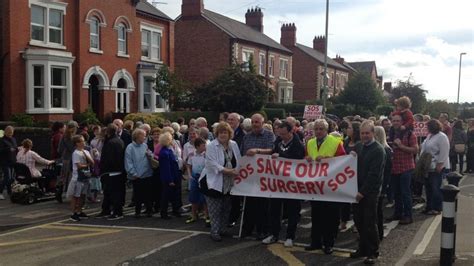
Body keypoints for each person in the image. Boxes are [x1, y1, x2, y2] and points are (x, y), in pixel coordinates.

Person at [305, 119, 346, 254]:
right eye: (316, 129)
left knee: (331, 216)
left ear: (327, 130)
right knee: (316, 215)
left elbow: (343, 162)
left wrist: (327, 159)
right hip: (315, 185)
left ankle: (329, 243)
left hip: (330, 186)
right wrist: (307, 159)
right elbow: (307, 158)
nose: (318, 131)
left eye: (321, 129)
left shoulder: (336, 143)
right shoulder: (310, 143)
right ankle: (315, 241)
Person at [261, 121, 305, 247]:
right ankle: (273, 234)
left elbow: (296, 160)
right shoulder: (278, 142)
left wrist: (280, 156)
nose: (282, 136)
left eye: (284, 134)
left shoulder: (299, 145)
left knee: (292, 210)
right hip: (278, 183)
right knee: (274, 209)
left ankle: (290, 236)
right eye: (280, 134)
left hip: (292, 183)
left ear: (291, 132)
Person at [351, 121, 386, 265]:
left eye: (367, 133)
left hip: (370, 193)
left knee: (369, 222)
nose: (364, 136)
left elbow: (374, 176)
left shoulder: (378, 150)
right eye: (362, 133)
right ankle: (363, 248)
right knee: (359, 221)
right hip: (357, 190)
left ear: (373, 133)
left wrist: (362, 192)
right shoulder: (359, 146)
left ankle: (373, 251)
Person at [200, 122, 241, 241]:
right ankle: (215, 231)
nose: (223, 135)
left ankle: (222, 229)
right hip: (213, 182)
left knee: (226, 207)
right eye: (220, 132)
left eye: (225, 132)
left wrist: (236, 171)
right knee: (215, 209)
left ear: (229, 134)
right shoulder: (212, 145)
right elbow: (212, 164)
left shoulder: (234, 144)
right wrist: (228, 171)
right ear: (217, 134)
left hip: (228, 182)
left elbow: (238, 160)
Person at [241, 113, 275, 240]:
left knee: (263, 205)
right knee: (250, 204)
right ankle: (247, 229)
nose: (255, 124)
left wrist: (257, 151)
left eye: (257, 122)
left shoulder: (269, 135)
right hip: (250, 175)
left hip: (263, 175)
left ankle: (262, 230)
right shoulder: (247, 137)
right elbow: (242, 153)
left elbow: (271, 150)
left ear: (262, 123)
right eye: (253, 122)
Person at [387, 115, 418, 225]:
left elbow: (415, 150)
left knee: (406, 193)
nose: (395, 123)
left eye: (398, 121)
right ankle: (398, 213)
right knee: (397, 193)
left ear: (402, 122)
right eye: (394, 120)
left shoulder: (410, 134)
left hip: (406, 167)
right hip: (395, 168)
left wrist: (401, 146)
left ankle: (408, 216)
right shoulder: (391, 134)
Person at [421, 119, 450, 215]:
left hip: (437, 165)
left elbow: (444, 151)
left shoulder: (442, 137)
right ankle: (429, 206)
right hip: (428, 165)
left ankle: (437, 207)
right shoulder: (429, 136)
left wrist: (440, 164)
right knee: (428, 188)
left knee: (435, 187)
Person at [97, 124, 126, 220]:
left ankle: (117, 212)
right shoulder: (119, 141)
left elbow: (108, 159)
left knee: (113, 193)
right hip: (118, 171)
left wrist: (103, 170)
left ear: (108, 132)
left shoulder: (110, 143)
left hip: (111, 172)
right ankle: (107, 210)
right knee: (111, 192)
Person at [125, 128, 154, 218]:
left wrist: (150, 155)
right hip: (137, 176)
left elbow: (150, 156)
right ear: (138, 136)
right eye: (143, 136)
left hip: (147, 174)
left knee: (148, 194)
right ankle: (137, 212)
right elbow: (128, 162)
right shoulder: (130, 147)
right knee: (138, 195)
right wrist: (133, 173)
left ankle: (149, 210)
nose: (145, 137)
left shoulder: (145, 145)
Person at [67, 135, 94, 222]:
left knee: (83, 195)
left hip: (85, 176)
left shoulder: (86, 151)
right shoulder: (75, 153)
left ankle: (80, 211)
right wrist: (87, 165)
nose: (84, 143)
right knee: (76, 196)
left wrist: (87, 155)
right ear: (77, 143)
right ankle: (74, 213)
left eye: (84, 141)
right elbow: (79, 166)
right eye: (82, 141)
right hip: (78, 177)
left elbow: (92, 162)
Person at [340, 121, 361, 230]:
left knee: (356, 202)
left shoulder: (360, 143)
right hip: (346, 175)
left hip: (356, 175)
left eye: (349, 128)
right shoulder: (346, 141)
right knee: (344, 200)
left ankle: (357, 224)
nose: (347, 129)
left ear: (355, 130)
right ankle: (343, 221)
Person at [373, 126, 392, 241]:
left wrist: (384, 187)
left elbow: (387, 170)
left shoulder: (385, 150)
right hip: (380, 184)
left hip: (381, 184)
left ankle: (379, 234)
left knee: (378, 211)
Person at [227, 112, 245, 227]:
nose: (229, 121)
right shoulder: (225, 133)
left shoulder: (242, 135)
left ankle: (234, 217)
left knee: (235, 196)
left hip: (236, 169)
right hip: (225, 168)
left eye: (232, 120)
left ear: (238, 121)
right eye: (228, 119)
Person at [186, 137, 210, 226]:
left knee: (204, 198)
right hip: (195, 178)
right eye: (203, 145)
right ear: (197, 146)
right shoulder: (192, 154)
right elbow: (188, 165)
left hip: (204, 178)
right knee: (193, 197)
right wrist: (189, 175)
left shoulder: (206, 155)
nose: (205, 147)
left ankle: (206, 215)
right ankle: (194, 215)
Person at [159, 132, 181, 219]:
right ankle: (164, 213)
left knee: (173, 195)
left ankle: (174, 211)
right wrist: (170, 180)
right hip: (169, 178)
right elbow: (166, 168)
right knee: (166, 196)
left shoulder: (168, 151)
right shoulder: (165, 153)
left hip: (173, 176)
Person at [58, 121, 78, 194]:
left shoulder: (63, 136)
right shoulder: (71, 137)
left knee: (63, 175)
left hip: (65, 158)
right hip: (71, 158)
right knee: (70, 176)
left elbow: (59, 149)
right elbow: (72, 149)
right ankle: (67, 192)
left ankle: (59, 191)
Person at [0, 126, 17, 200]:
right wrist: (8, 149)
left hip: (12, 161)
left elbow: (15, 147)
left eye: (11, 133)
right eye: (9, 133)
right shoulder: (1, 140)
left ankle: (9, 192)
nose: (10, 134)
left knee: (12, 178)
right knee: (7, 177)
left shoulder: (13, 139)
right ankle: (0, 192)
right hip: (4, 161)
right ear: (5, 132)